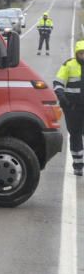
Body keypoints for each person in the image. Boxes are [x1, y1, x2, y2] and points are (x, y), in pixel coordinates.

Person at [54, 40, 84, 176]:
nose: (83, 55)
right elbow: (58, 83)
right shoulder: (68, 65)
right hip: (73, 108)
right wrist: (63, 98)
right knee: (75, 135)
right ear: (76, 53)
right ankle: (78, 165)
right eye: (81, 53)